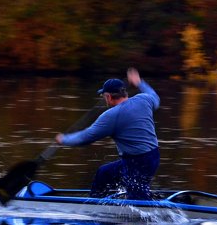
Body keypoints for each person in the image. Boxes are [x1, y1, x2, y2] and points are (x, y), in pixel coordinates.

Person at [56, 68, 160, 199]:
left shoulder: (111, 116)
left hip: (136, 164)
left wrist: (64, 139)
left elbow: (86, 137)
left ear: (108, 97)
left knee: (138, 201)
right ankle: (96, 203)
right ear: (124, 93)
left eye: (103, 96)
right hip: (154, 157)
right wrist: (139, 82)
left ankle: (151, 209)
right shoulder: (144, 99)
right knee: (104, 173)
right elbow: (155, 96)